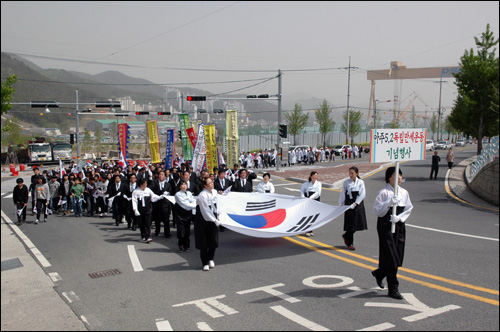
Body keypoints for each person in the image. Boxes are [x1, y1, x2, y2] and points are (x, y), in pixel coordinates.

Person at [372, 166, 413, 300]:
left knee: (398, 255)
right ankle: (393, 288)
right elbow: (376, 210)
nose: (399, 178)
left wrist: (400, 218)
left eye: (400, 175)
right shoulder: (384, 192)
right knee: (392, 256)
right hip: (385, 226)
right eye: (396, 176)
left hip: (399, 225)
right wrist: (388, 204)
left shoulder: (404, 193)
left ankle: (380, 273)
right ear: (389, 177)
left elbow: (408, 208)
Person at [195, 177, 220, 271]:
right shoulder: (202, 195)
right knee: (203, 242)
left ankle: (211, 258)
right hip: (203, 219)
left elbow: (217, 204)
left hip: (213, 217)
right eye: (209, 183)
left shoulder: (214, 192)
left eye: (212, 182)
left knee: (213, 240)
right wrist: (214, 220)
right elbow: (205, 210)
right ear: (205, 185)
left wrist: (218, 216)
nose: (212, 183)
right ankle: (204, 262)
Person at [339, 166, 367, 250]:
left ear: (357, 174)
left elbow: (362, 194)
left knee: (358, 222)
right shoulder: (346, 182)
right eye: (349, 173)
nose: (350, 175)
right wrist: (340, 203)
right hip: (349, 204)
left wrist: (355, 203)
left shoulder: (361, 182)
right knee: (350, 223)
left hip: (358, 204)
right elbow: (343, 193)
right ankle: (349, 242)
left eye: (352, 173)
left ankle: (346, 235)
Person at [132, 178, 169, 243]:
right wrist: (135, 210)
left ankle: (148, 236)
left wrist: (161, 196)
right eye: (144, 184)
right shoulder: (136, 191)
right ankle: (143, 235)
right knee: (141, 223)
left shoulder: (148, 190)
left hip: (148, 209)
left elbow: (153, 196)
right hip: (140, 209)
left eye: (146, 183)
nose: (145, 185)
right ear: (141, 184)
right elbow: (134, 201)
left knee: (148, 223)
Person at [174, 180, 197, 252]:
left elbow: (193, 200)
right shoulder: (177, 194)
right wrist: (192, 206)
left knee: (187, 230)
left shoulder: (189, 193)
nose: (184, 186)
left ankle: (186, 246)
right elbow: (183, 204)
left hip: (188, 213)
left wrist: (193, 205)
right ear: (180, 186)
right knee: (181, 230)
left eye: (185, 184)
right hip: (180, 214)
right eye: (182, 185)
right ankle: (180, 245)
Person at [300, 171, 322, 236]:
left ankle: (311, 229)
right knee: (308, 214)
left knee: (313, 215)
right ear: (311, 176)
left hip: (315, 200)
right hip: (307, 199)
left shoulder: (319, 184)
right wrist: (303, 197)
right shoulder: (306, 184)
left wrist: (311, 198)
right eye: (314, 175)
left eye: (317, 176)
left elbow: (318, 193)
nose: (316, 177)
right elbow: (302, 190)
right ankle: (307, 230)